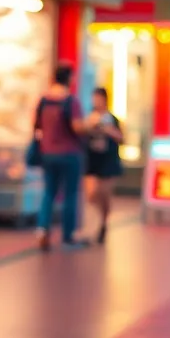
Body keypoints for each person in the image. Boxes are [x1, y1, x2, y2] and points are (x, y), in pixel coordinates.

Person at [33, 63, 88, 251]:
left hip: (47, 153)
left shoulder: (44, 100)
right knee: (71, 194)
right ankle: (68, 235)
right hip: (69, 153)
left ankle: (42, 229)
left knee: (49, 192)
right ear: (69, 78)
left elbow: (37, 126)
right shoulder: (71, 101)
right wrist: (90, 125)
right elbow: (77, 127)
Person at [83, 86, 123, 244]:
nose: (96, 102)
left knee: (104, 194)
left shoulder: (112, 119)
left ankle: (103, 223)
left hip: (108, 161)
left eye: (98, 98)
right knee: (91, 193)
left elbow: (121, 137)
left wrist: (108, 130)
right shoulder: (89, 118)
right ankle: (98, 221)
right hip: (92, 160)